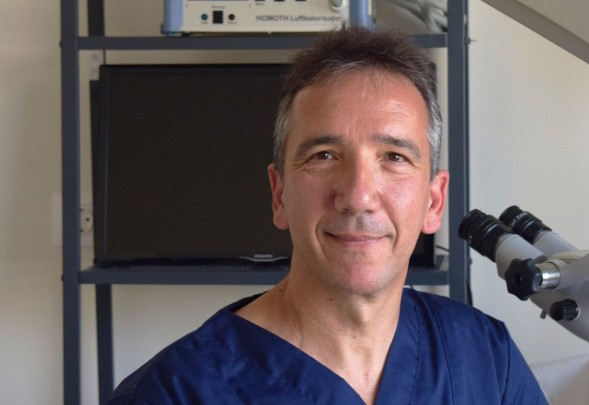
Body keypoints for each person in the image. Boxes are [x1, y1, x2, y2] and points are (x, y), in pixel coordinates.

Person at [107, 25, 547, 404]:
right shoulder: (172, 392)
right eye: (323, 156)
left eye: (394, 157)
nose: (358, 196)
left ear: (434, 202)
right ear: (279, 194)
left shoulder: (486, 360)